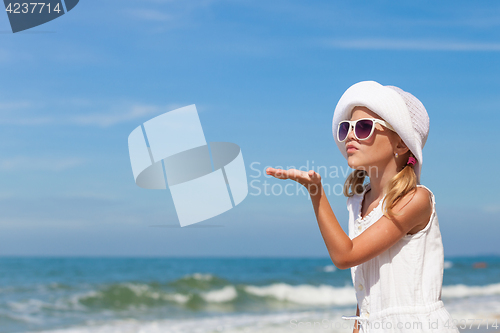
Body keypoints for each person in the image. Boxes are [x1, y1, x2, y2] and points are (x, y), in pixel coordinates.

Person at [266, 81, 459, 332]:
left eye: (364, 127)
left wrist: (316, 192)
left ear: (401, 144)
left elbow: (345, 255)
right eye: (346, 127)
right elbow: (366, 290)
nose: (350, 135)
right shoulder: (357, 203)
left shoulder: (416, 199)